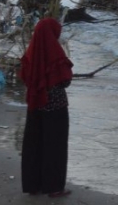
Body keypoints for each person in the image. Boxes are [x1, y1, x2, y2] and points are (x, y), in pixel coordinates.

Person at [19, 17, 74, 198]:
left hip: (35, 104)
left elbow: (25, 76)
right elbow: (65, 80)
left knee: (34, 144)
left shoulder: (31, 52)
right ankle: (54, 187)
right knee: (55, 146)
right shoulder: (55, 52)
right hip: (55, 106)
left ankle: (33, 185)